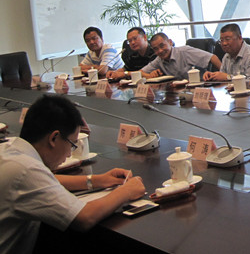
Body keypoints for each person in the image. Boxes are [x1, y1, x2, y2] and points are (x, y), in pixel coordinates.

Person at [0, 95, 146, 253]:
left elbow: (48, 180)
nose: (70, 154)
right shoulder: (27, 170)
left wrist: (96, 180)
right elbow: (84, 217)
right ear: (54, 138)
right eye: (72, 144)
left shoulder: (9, 148)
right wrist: (126, 191)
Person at [140, 33, 222, 79]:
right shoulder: (159, 59)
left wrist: (224, 75)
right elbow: (140, 73)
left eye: (162, 46)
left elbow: (212, 57)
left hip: (200, 88)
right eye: (156, 49)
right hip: (180, 92)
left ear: (170, 42)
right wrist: (150, 76)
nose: (160, 51)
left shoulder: (184, 51)